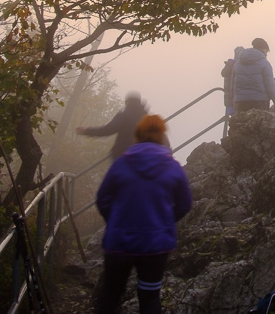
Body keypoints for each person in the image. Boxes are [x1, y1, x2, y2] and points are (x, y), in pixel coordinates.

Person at [94, 114, 192, 314]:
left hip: (119, 241)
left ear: (136, 136)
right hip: (155, 244)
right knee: (149, 298)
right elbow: (184, 204)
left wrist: (114, 220)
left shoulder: (121, 164)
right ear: (163, 137)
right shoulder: (172, 166)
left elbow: (103, 199)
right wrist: (164, 221)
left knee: (110, 295)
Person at [77, 92, 148, 160]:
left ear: (127, 102)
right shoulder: (147, 118)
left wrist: (86, 131)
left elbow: (108, 130)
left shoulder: (124, 115)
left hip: (122, 155)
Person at [233, 38, 275, 113]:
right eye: (266, 51)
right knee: (259, 124)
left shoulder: (238, 63)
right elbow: (270, 85)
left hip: (240, 103)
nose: (266, 54)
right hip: (259, 102)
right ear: (263, 49)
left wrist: (234, 102)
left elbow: (233, 85)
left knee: (242, 124)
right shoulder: (265, 63)